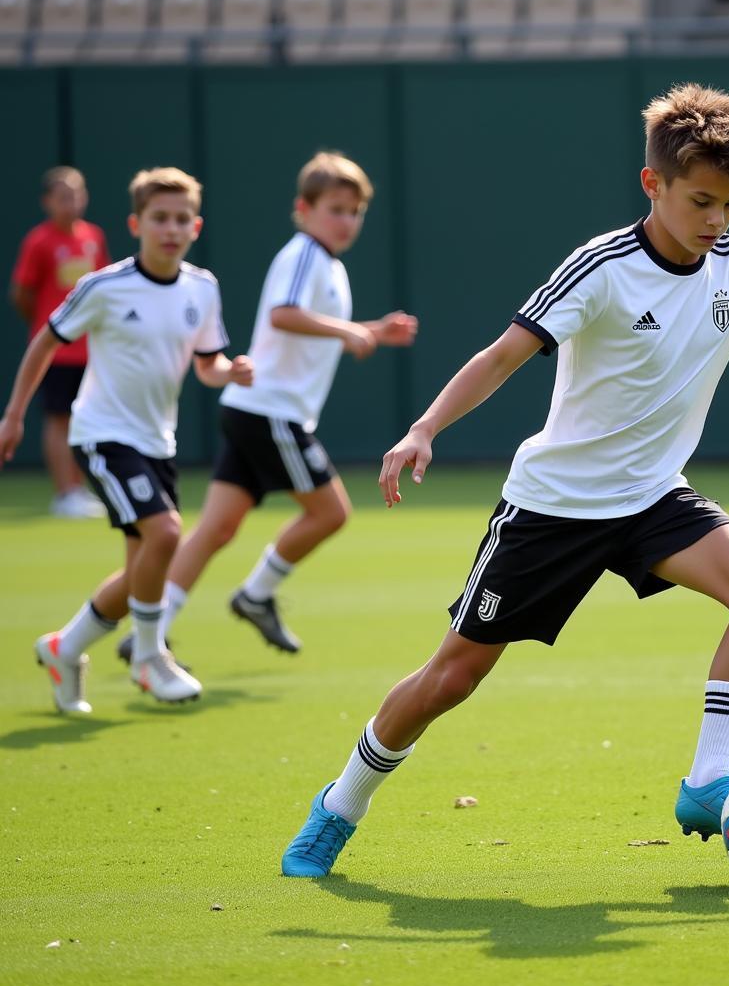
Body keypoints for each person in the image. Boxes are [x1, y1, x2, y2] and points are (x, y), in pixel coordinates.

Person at [280, 84, 729, 877]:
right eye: (701, 200)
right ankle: (339, 806)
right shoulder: (601, 268)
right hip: (554, 506)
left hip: (652, 497)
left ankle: (705, 784)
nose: (716, 219)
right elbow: (502, 356)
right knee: (454, 675)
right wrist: (423, 428)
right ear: (653, 184)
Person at [114, 152, 417, 664]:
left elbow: (306, 323)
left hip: (250, 409)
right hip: (271, 412)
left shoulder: (326, 263)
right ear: (304, 208)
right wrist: (349, 331)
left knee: (215, 529)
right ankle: (255, 596)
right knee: (331, 513)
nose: (346, 220)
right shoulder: (304, 253)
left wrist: (370, 331)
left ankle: (150, 634)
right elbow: (283, 315)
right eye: (335, 208)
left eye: (355, 211)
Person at [0, 167, 253, 713]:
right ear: (137, 224)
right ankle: (148, 656)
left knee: (142, 567)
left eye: (182, 219)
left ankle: (63, 649)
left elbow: (207, 364)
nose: (171, 228)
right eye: (160, 218)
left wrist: (230, 372)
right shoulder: (104, 286)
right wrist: (14, 415)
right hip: (101, 433)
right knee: (165, 533)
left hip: (157, 442)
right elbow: (45, 340)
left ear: (196, 226)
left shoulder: (202, 288)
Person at [10, 166, 110, 519]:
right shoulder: (39, 241)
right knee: (58, 419)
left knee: (85, 418)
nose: (71, 202)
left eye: (77, 194)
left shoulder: (93, 237)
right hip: (56, 351)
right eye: (63, 196)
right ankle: (63, 492)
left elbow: (103, 289)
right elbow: (22, 292)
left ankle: (79, 489)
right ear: (47, 201)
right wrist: (45, 325)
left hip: (90, 348)